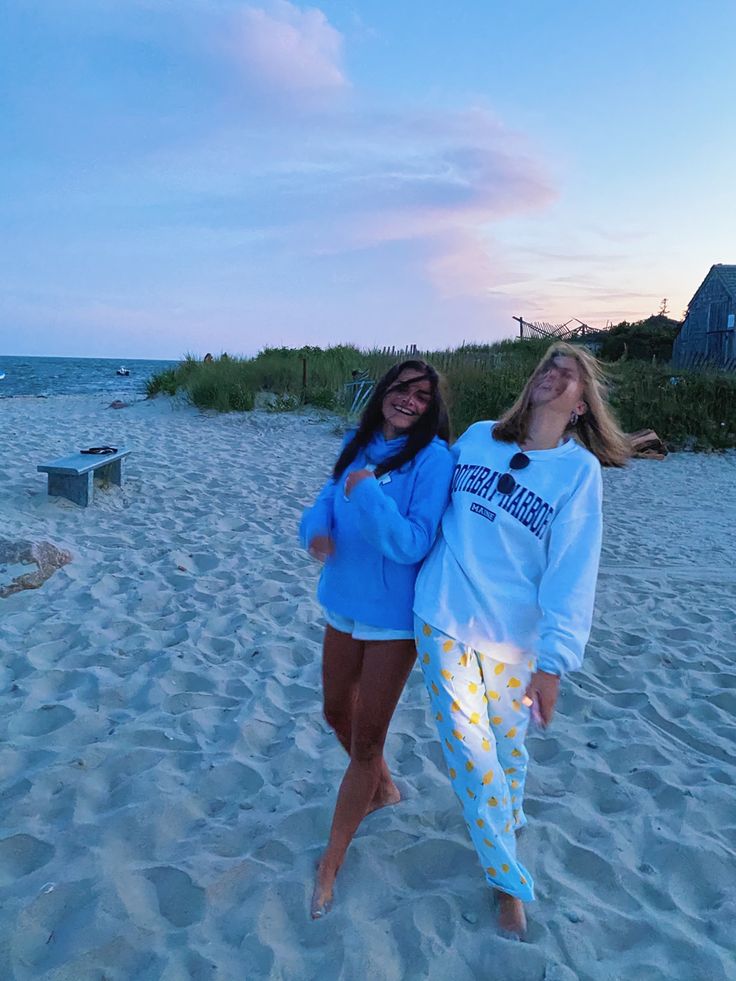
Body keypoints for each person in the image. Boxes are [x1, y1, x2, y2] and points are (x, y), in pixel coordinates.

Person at [413, 341, 629, 935]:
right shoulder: (480, 437)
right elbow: (424, 498)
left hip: (514, 639)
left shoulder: (578, 473)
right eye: (549, 368)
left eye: (570, 375)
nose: (555, 377)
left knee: (509, 751)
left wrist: (554, 664)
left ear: (583, 404)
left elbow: (572, 572)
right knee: (474, 757)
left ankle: (507, 822)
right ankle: (507, 882)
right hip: (443, 617)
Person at [300, 360, 454, 918]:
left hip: (393, 620)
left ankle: (329, 866)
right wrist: (315, 530)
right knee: (335, 712)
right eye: (400, 389)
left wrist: (366, 494)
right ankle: (384, 790)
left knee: (366, 742)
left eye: (421, 395)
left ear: (431, 407)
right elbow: (324, 498)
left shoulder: (436, 459)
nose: (409, 400)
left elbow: (412, 543)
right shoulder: (357, 442)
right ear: (383, 392)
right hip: (342, 604)